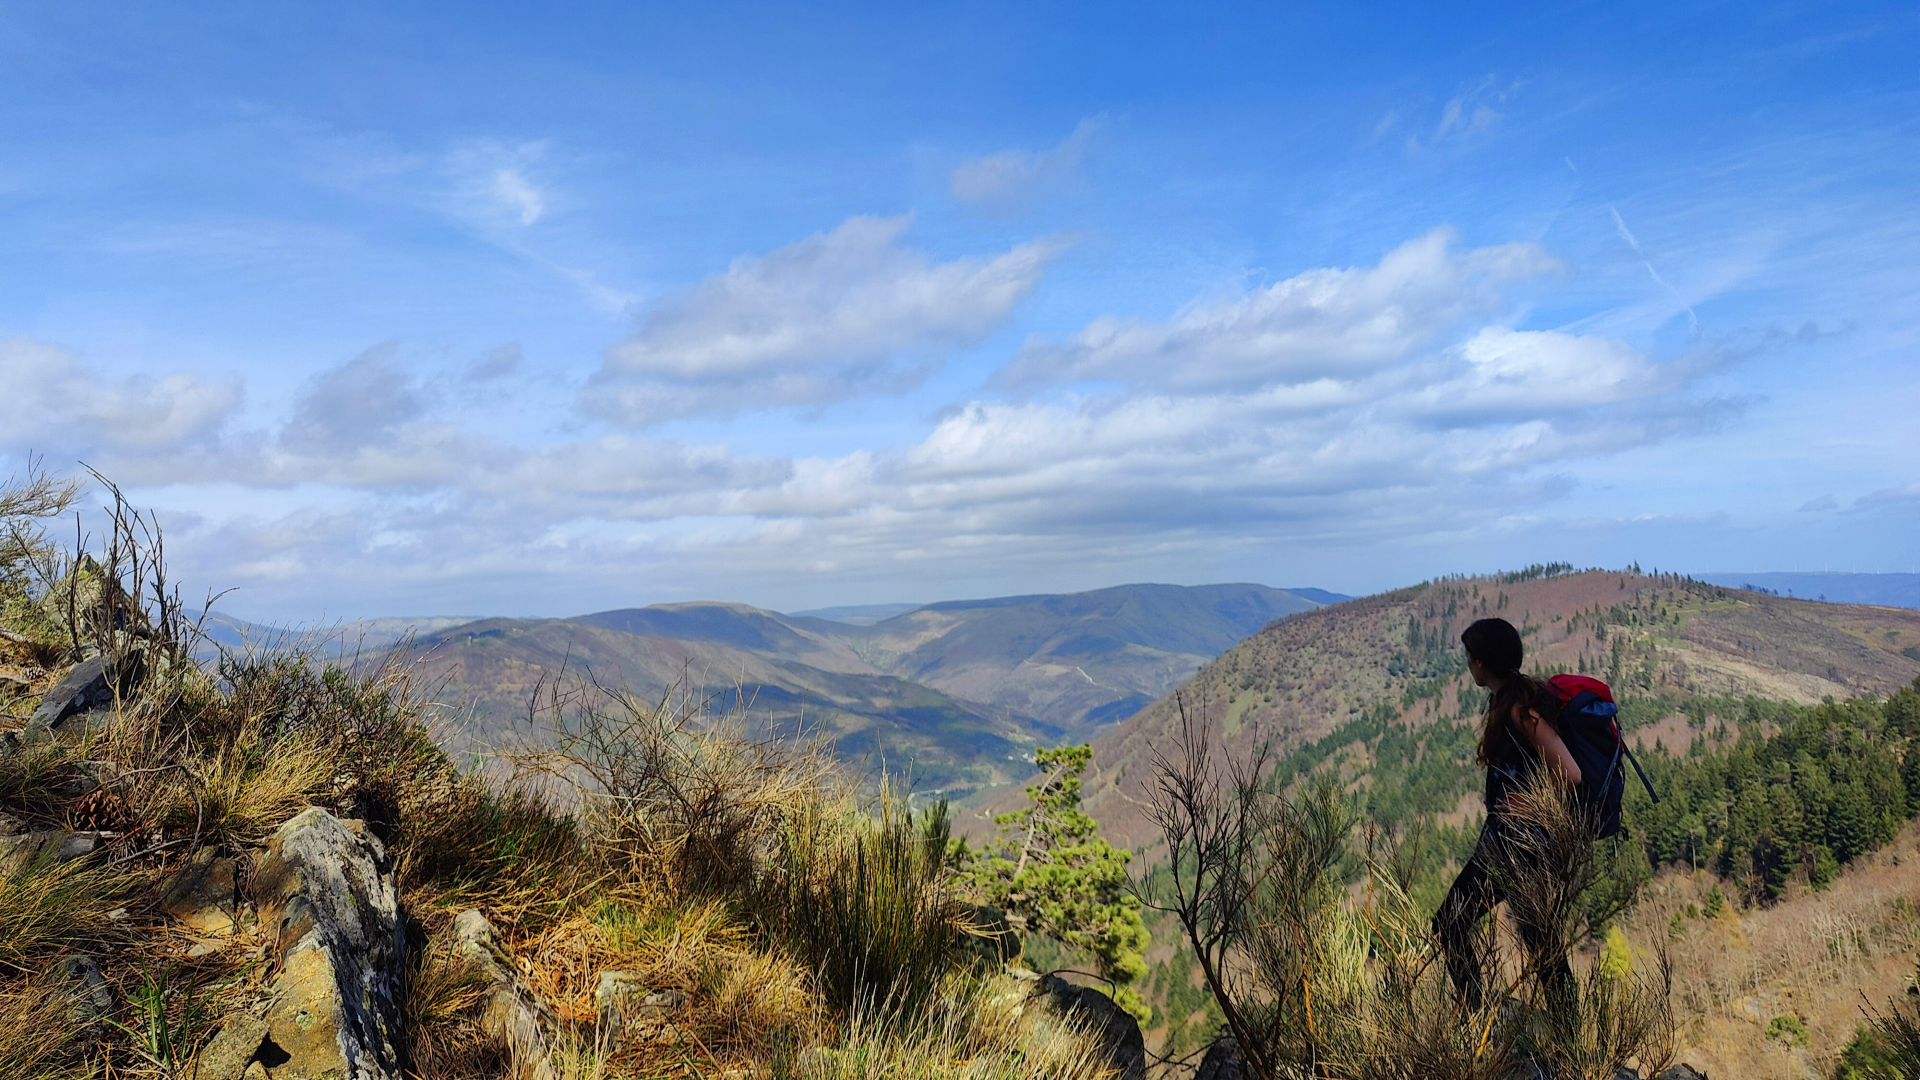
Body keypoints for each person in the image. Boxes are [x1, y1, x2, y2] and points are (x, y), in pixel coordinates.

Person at [1433, 616, 1581, 1010]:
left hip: (1520, 848)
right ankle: (1564, 1029)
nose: (1468, 663)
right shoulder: (1508, 701)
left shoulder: (1520, 710)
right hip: (1509, 845)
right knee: (1540, 943)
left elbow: (1571, 773)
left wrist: (1532, 803)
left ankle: (1477, 1015)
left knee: (1453, 922)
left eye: (1469, 656)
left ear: (1481, 661)